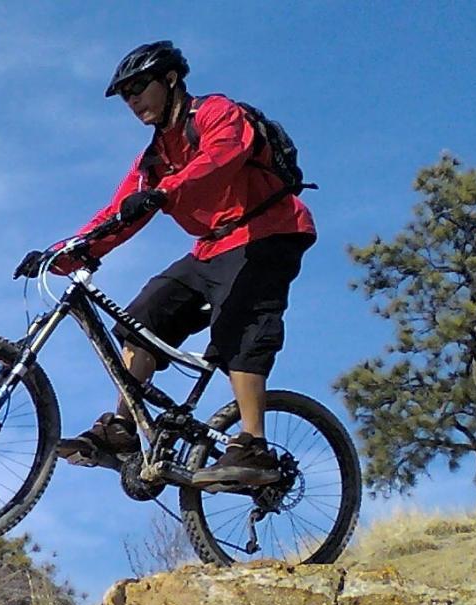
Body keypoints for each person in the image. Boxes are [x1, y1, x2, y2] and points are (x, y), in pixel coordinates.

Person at [52, 40, 316, 488]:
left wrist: (166, 191)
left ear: (170, 80)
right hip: (210, 247)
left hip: (267, 232)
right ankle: (122, 431)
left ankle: (253, 446)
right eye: (126, 95)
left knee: (240, 324)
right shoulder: (153, 159)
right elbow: (116, 215)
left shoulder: (215, 113)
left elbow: (223, 156)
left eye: (139, 87)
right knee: (140, 320)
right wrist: (67, 251)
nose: (133, 100)